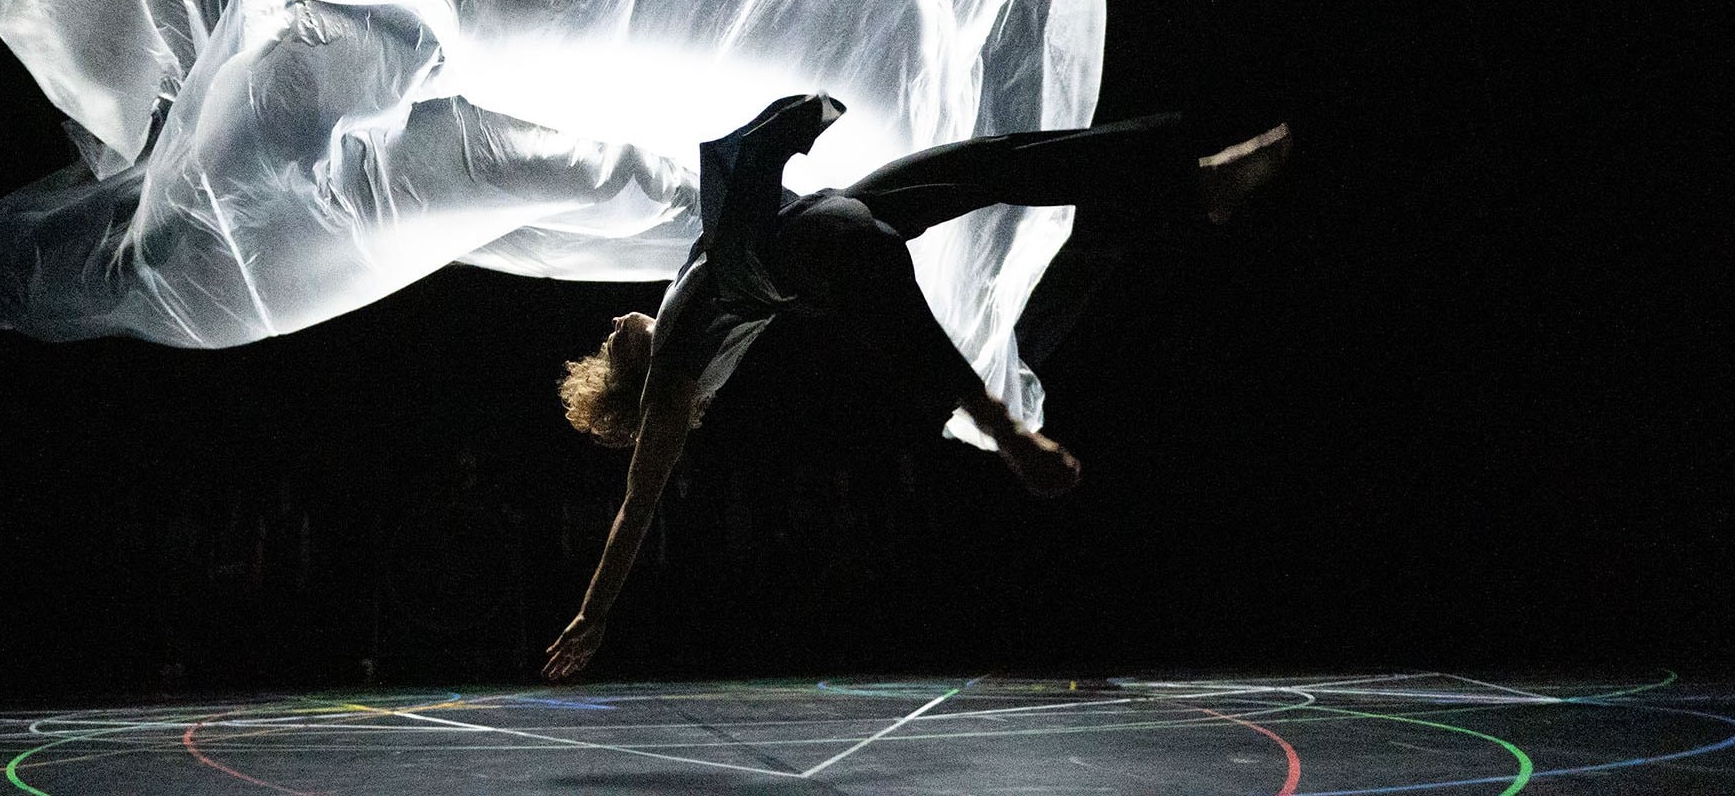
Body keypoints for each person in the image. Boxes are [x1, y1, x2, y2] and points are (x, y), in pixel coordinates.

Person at [542, 93, 1290, 680]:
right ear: (630, 379)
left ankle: (1193, 181)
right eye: (612, 340)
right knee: (883, 283)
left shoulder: (688, 321)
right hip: (820, 247)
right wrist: (593, 613)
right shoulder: (669, 382)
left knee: (993, 162)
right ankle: (1005, 430)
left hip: (820, 215)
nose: (614, 316)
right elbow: (635, 508)